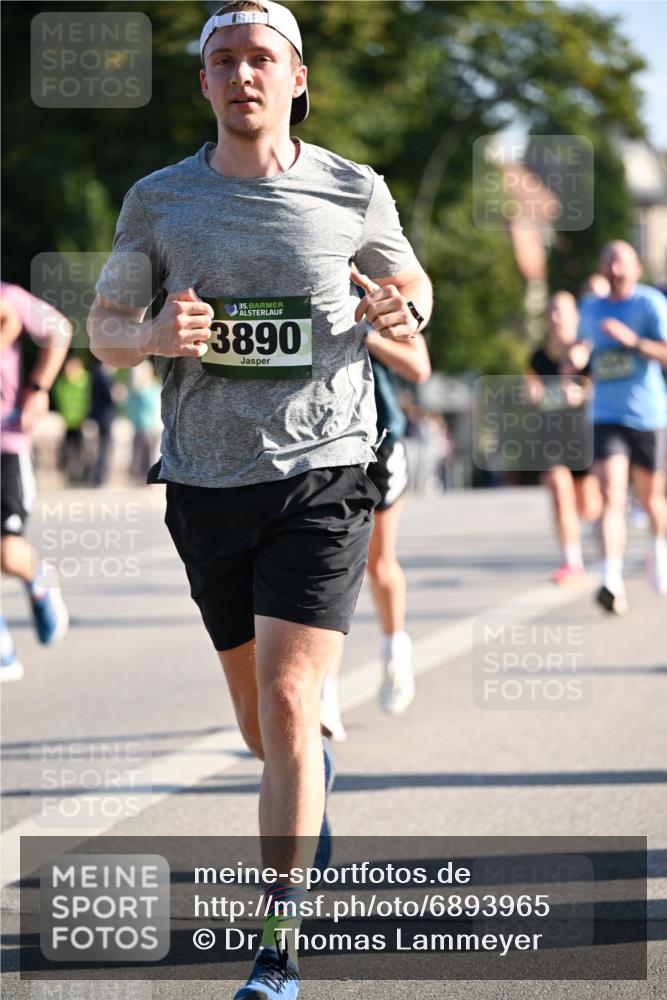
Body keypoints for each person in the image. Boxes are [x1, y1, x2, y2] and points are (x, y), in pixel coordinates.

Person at [86, 2, 432, 996]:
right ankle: (304, 779)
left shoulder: (350, 189)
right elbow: (105, 325)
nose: (243, 74)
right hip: (204, 480)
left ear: (295, 76)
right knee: (261, 720)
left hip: (326, 471)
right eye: (224, 60)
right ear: (204, 82)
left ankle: (276, 952)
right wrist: (151, 336)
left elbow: (411, 285)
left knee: (287, 699)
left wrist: (400, 304)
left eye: (260, 59)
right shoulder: (156, 201)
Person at [321, 271, 431, 738]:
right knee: (326, 569)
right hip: (326, 443)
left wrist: (363, 335)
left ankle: (395, 652)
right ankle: (324, 694)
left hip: (382, 440)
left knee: (378, 563)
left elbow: (419, 367)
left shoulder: (373, 289)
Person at [573, 241, 667, 614]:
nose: (615, 268)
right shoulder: (591, 307)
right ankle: (610, 577)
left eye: (621, 262)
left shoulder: (649, 304)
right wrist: (578, 357)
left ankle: (658, 548)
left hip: (648, 416)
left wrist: (633, 341)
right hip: (607, 416)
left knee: (650, 500)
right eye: (609, 261)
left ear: (636, 268)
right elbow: (582, 349)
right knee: (612, 495)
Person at [1, 283, 72, 681]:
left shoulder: (7, 299)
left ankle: (39, 576)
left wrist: (39, 389)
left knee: (8, 554)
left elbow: (59, 329)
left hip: (5, 444)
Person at [525, 291, 602, 585]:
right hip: (552, 437)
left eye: (563, 311)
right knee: (559, 491)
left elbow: (601, 390)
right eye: (552, 312)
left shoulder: (589, 352)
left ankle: (601, 537)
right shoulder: (538, 358)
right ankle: (572, 560)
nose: (557, 317)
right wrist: (535, 396)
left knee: (588, 507)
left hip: (586, 437)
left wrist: (582, 392)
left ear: (576, 317)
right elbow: (530, 393)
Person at [53, 355, 92, 484]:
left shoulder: (86, 380)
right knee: (68, 450)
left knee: (83, 450)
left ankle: (83, 475)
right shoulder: (62, 382)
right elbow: (58, 398)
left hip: (82, 421)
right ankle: (70, 474)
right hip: (68, 421)